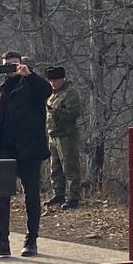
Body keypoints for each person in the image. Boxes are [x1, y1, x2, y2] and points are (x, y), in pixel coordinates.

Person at [0, 51, 52, 258]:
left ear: (21, 64)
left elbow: (46, 91)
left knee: (31, 195)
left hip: (28, 149)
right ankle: (2, 240)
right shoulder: (2, 89)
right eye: (6, 66)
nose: (11, 69)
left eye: (14, 64)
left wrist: (29, 75)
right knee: (2, 196)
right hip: (5, 148)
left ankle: (31, 241)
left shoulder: (31, 85)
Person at [44, 66, 82, 210]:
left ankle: (73, 197)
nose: (53, 83)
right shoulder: (52, 94)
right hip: (53, 134)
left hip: (66, 136)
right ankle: (58, 193)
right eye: (51, 81)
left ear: (62, 79)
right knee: (55, 167)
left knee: (69, 167)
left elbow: (74, 113)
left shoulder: (69, 93)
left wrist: (57, 112)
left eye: (56, 80)